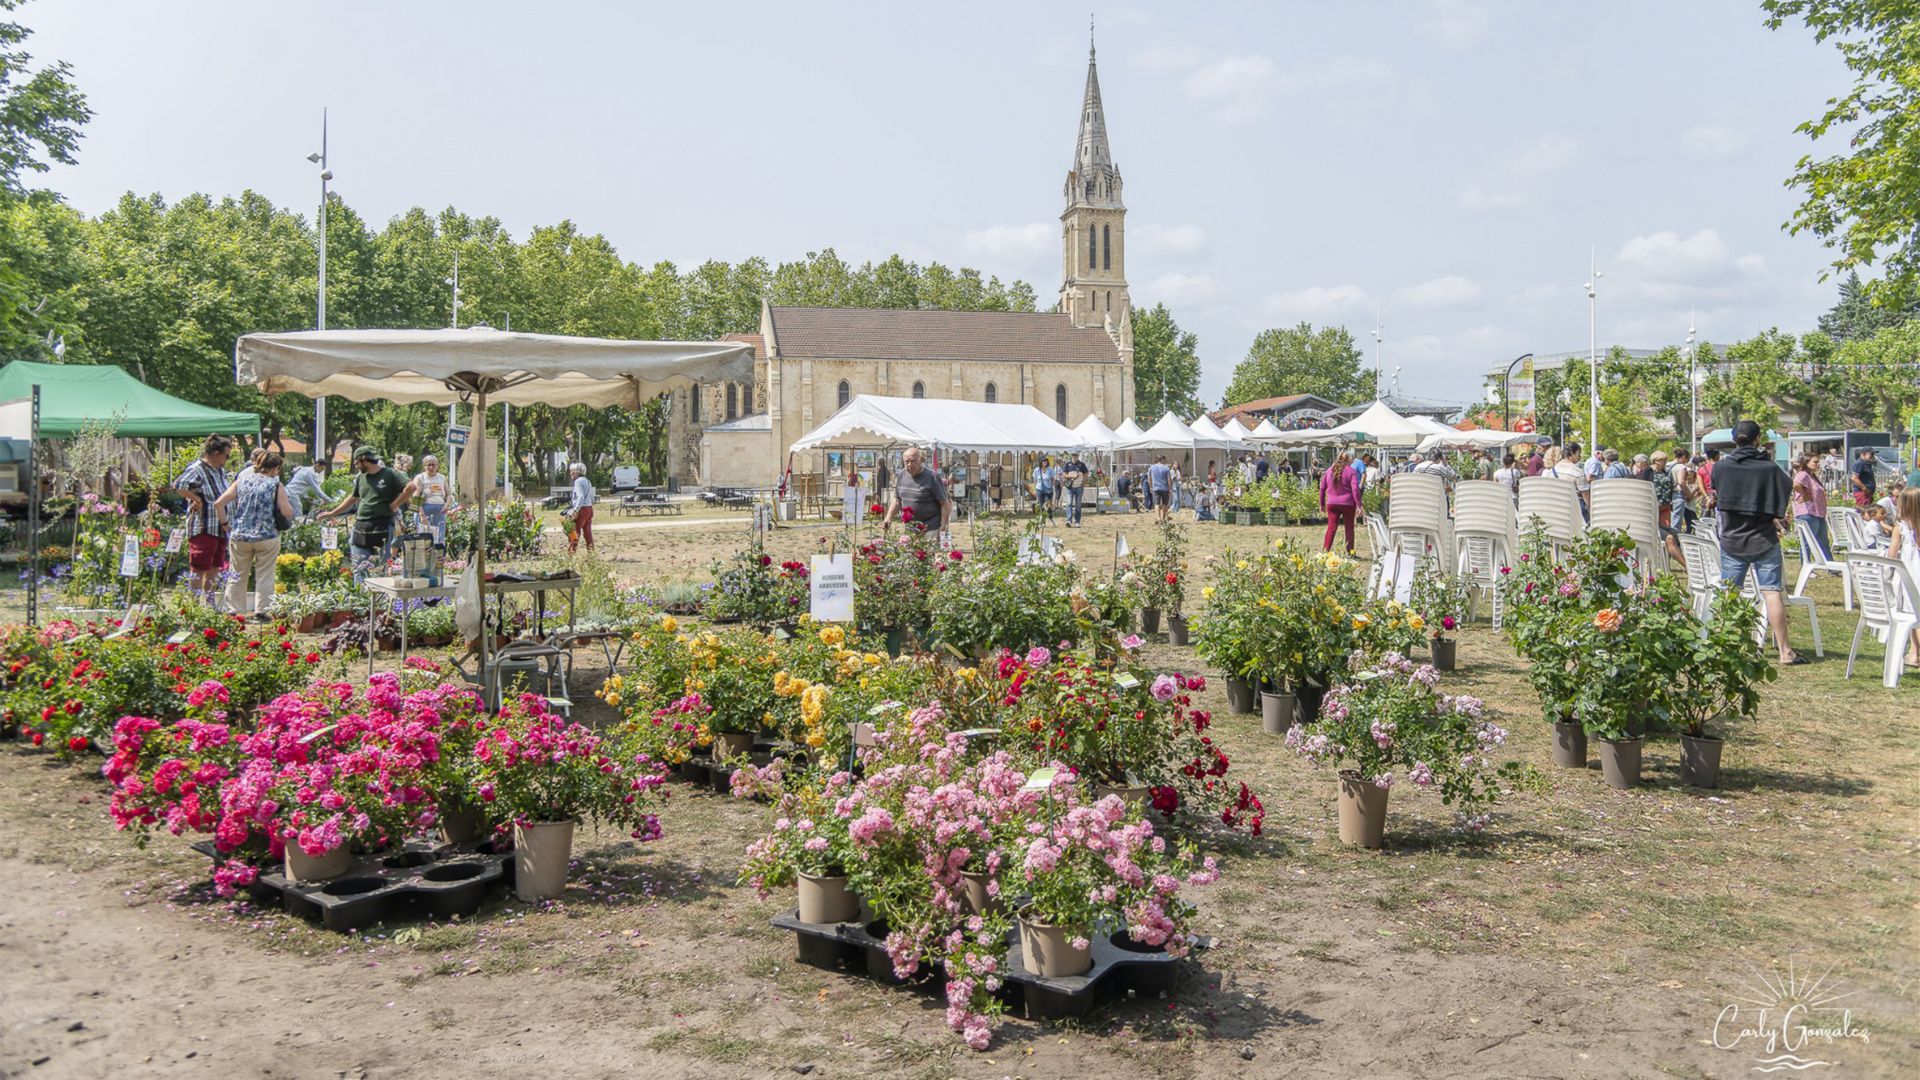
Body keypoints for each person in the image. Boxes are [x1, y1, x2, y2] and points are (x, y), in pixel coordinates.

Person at [1714, 420, 1805, 665]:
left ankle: (1724, 646)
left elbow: (1718, 495)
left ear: (1735, 440)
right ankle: (1785, 651)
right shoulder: (1769, 468)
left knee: (1728, 595)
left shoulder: (1721, 467)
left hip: (1733, 538)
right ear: (1757, 439)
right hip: (1763, 538)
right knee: (1772, 593)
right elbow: (1787, 491)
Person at [212, 451, 294, 621]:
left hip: (240, 535)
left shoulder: (241, 481)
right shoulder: (275, 485)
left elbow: (219, 503)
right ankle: (261, 611)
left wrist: (225, 524)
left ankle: (234, 610)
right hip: (267, 535)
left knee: (237, 572)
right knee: (265, 573)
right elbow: (286, 511)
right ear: (275, 468)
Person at [319, 447, 416, 581]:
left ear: (364, 459)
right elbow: (353, 498)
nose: (355, 465)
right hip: (361, 526)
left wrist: (396, 504)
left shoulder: (389, 474)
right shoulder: (361, 478)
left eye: (357, 462)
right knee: (359, 568)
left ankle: (379, 599)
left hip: (382, 526)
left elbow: (411, 487)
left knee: (381, 567)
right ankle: (359, 598)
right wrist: (332, 513)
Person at [172, 435, 234, 603]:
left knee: (215, 566)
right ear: (215, 453)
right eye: (226, 456)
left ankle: (209, 602)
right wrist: (196, 499)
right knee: (199, 567)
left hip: (219, 527)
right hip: (203, 526)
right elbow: (179, 485)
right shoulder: (198, 468)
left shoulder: (219, 470)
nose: (227, 460)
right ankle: (193, 603)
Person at [1886, 488, 1920, 668]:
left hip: (1909, 574)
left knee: (1912, 614)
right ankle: (1914, 653)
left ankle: (1914, 653)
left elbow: (1892, 553)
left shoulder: (1900, 526)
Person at [888, 446, 951, 535]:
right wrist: (888, 518)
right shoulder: (901, 475)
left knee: (929, 549)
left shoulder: (932, 477)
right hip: (910, 528)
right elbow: (897, 500)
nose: (909, 464)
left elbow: (945, 503)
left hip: (931, 528)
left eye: (913, 461)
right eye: (906, 462)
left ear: (921, 460)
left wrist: (944, 525)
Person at [1790, 453, 1832, 560]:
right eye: (1815, 462)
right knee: (1807, 542)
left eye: (1818, 462)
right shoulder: (1803, 474)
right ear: (1806, 463)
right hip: (1807, 512)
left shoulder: (1812, 476)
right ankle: (1806, 564)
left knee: (1823, 542)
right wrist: (1805, 494)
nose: (1818, 464)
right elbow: (1795, 484)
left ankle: (1831, 567)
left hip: (1818, 514)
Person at [1319, 450, 1361, 555]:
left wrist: (1322, 504)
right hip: (1348, 504)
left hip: (1332, 504)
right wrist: (1359, 505)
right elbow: (1355, 489)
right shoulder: (1351, 471)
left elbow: (1322, 488)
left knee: (1331, 528)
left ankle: (1325, 552)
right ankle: (1350, 552)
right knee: (1349, 529)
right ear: (1349, 459)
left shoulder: (1329, 471)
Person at [414, 454, 451, 544]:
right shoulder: (420, 478)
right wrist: (421, 514)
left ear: (437, 466)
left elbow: (449, 494)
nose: (431, 467)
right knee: (424, 538)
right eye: (428, 465)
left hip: (440, 509)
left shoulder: (442, 477)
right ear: (424, 466)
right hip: (425, 509)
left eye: (433, 464)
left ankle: (438, 556)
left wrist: (446, 505)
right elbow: (415, 497)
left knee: (439, 537)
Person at [1552, 441, 1590, 519]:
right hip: (1573, 508)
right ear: (1572, 453)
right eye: (1578, 453)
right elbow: (1585, 495)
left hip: (1556, 506)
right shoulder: (1577, 472)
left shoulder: (1552, 470)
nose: (1580, 456)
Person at [564, 461, 596, 553]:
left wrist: (575, 510)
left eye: (572, 471)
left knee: (574, 532)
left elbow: (580, 497)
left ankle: (571, 553)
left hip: (581, 510)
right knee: (588, 533)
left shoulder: (578, 482)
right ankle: (591, 553)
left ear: (576, 472)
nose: (570, 473)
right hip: (589, 509)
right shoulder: (587, 481)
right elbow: (591, 497)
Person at [1062, 453, 1088, 527]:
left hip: (1079, 488)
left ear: (1078, 456)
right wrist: (1072, 475)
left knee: (1078, 505)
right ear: (1071, 456)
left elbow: (1086, 474)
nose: (1074, 457)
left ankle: (1077, 522)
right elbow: (1064, 475)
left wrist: (1083, 483)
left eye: (1076, 455)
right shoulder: (1067, 464)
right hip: (1069, 488)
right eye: (1073, 455)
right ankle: (1069, 521)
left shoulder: (1082, 464)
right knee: (1069, 503)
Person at [1148, 455, 1173, 523]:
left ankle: (1158, 518)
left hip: (1156, 488)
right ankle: (1163, 518)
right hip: (1165, 488)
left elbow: (1149, 478)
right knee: (1165, 504)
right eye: (1165, 460)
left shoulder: (1151, 467)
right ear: (1162, 460)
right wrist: (1170, 488)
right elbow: (1169, 479)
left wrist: (1150, 487)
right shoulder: (1166, 468)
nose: (1165, 461)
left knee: (1156, 504)